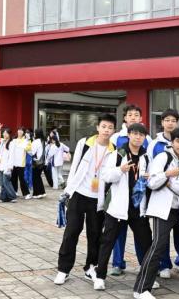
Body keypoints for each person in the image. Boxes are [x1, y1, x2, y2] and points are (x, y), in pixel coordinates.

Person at [133, 128, 179, 299]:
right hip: (162, 210)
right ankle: (141, 289)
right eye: (178, 141)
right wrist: (167, 174)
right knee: (158, 246)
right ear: (172, 142)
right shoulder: (163, 157)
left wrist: (169, 183)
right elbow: (152, 183)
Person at [54, 114, 116, 285]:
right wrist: (68, 190)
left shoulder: (114, 150)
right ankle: (63, 269)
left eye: (110, 128)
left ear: (114, 130)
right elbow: (74, 167)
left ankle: (91, 268)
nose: (106, 130)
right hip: (79, 194)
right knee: (71, 232)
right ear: (98, 127)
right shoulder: (85, 143)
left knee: (95, 235)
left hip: (98, 198)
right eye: (104, 126)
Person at [94, 123, 153, 291]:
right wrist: (120, 169)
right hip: (117, 208)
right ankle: (100, 276)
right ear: (129, 135)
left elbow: (151, 180)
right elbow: (106, 176)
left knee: (146, 242)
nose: (138, 137)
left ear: (144, 138)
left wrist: (149, 178)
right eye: (135, 134)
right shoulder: (118, 154)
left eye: (141, 135)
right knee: (107, 242)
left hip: (137, 207)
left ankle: (147, 277)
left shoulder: (146, 157)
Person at [145, 108, 179, 279]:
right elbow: (151, 177)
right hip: (162, 203)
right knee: (160, 241)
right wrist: (166, 176)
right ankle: (162, 266)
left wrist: (169, 182)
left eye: (174, 120)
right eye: (167, 120)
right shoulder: (157, 148)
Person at [109, 104, 152, 276]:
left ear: (141, 118)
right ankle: (117, 263)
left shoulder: (147, 139)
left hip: (138, 195)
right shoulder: (115, 138)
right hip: (120, 193)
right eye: (130, 115)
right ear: (125, 118)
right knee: (118, 233)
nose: (133, 117)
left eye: (136, 115)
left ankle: (144, 264)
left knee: (141, 233)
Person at [10, 127, 32, 200]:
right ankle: (14, 191)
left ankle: (27, 193)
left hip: (21, 163)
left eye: (21, 131)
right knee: (13, 178)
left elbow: (29, 149)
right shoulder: (14, 140)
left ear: (23, 132)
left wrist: (29, 140)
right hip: (14, 163)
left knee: (22, 179)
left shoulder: (25, 141)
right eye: (19, 130)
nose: (19, 132)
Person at [0, 127, 17, 203]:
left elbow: (12, 156)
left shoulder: (12, 143)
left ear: (9, 134)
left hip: (7, 166)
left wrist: (10, 167)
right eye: (4, 133)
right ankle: (4, 197)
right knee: (2, 183)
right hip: (1, 164)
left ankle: (12, 196)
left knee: (6, 182)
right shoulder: (3, 142)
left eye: (6, 133)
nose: (4, 134)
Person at [30, 129, 48, 199]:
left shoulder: (36, 142)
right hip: (43, 162)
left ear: (37, 134)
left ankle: (37, 193)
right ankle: (42, 192)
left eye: (35, 133)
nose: (34, 134)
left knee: (35, 178)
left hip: (36, 162)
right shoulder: (44, 141)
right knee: (38, 177)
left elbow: (32, 152)